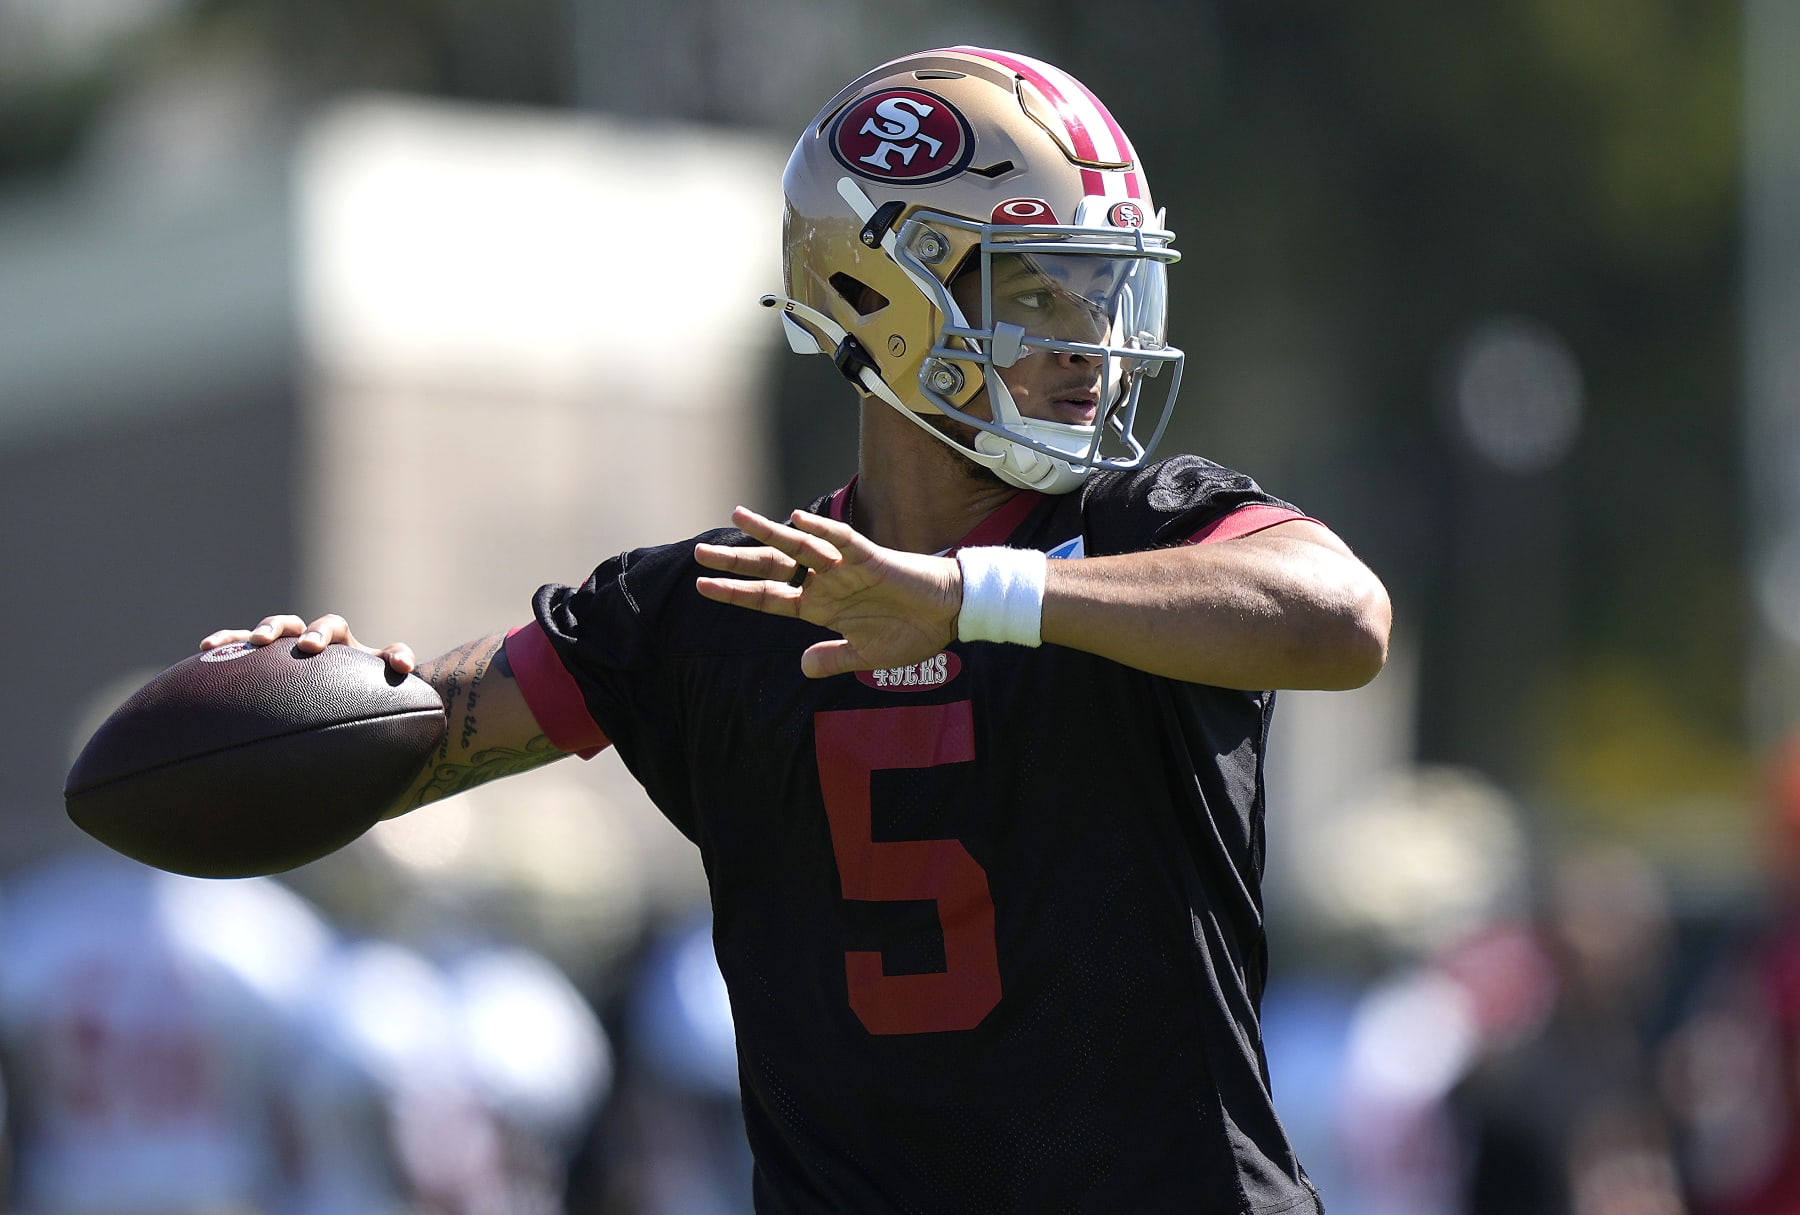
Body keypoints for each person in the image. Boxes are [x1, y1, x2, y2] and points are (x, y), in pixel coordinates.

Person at [203, 46, 1391, 1213]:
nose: (1091, 346)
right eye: (1035, 291)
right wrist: (317, 689)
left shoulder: (1146, 532)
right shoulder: (712, 605)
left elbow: (1343, 619)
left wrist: (979, 595)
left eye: (1102, 290)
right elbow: (420, 733)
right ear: (874, 297)